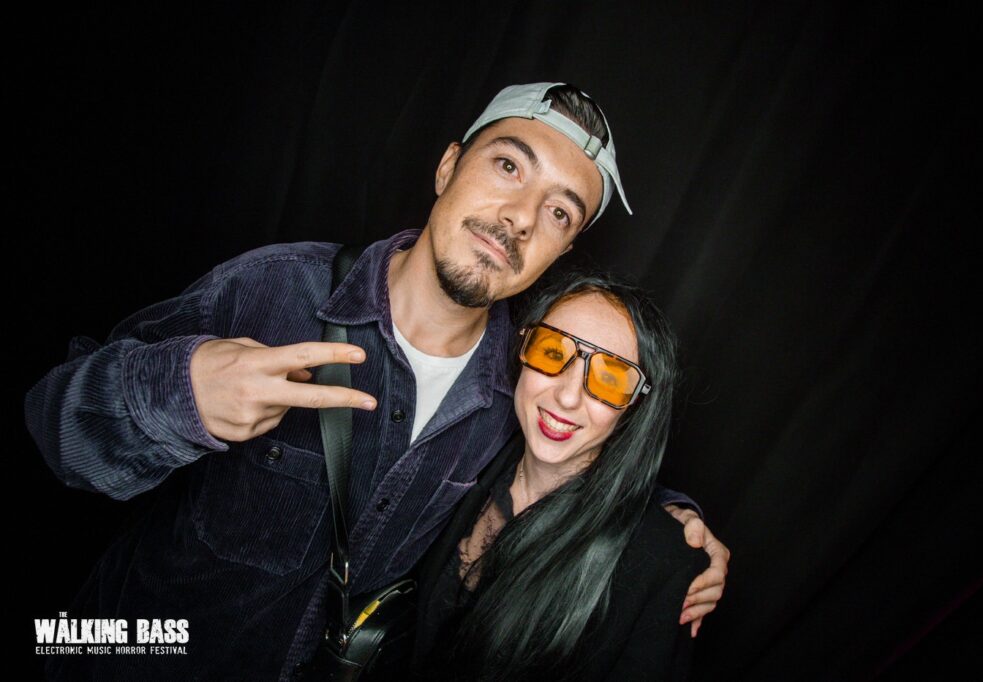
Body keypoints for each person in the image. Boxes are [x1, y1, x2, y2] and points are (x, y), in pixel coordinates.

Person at [24, 82, 729, 680]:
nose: (519, 218)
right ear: (448, 167)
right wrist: (180, 392)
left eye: (558, 211)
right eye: (509, 165)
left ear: (562, 250)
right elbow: (53, 429)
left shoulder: (516, 385)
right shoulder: (276, 288)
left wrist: (674, 524)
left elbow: (566, 460)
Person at [412, 271, 706, 681]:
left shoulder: (663, 564)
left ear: (636, 406)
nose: (567, 396)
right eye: (552, 352)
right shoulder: (468, 453)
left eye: (609, 378)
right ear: (523, 350)